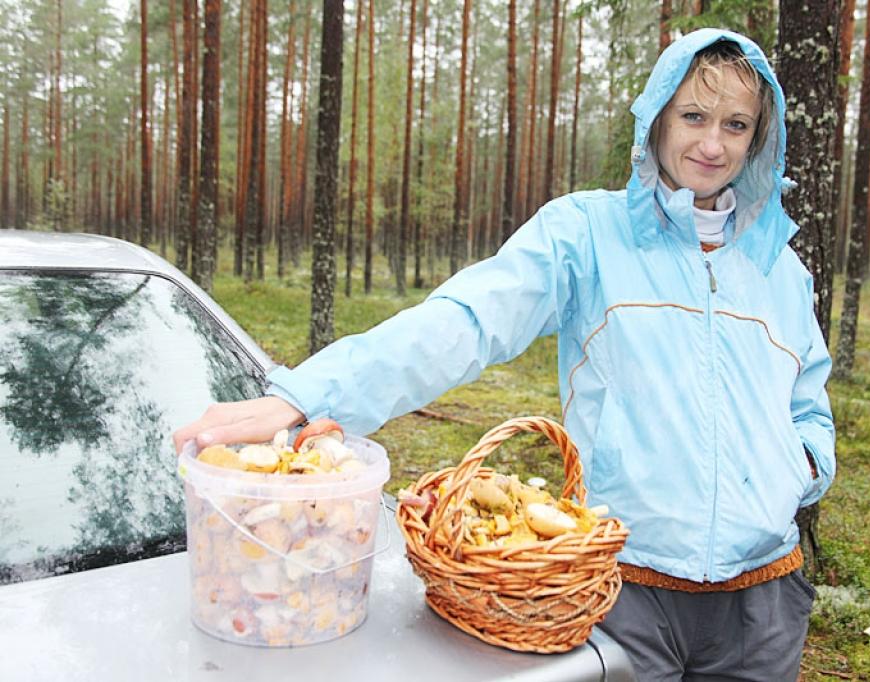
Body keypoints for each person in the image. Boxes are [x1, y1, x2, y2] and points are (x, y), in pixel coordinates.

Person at [174, 28, 835, 682]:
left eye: (737, 124)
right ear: (659, 117)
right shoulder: (588, 235)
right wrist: (305, 397)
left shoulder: (782, 270)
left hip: (763, 607)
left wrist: (795, 469)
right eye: (694, 116)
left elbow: (809, 406)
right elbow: (465, 322)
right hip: (626, 593)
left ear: (758, 139)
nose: (713, 143)